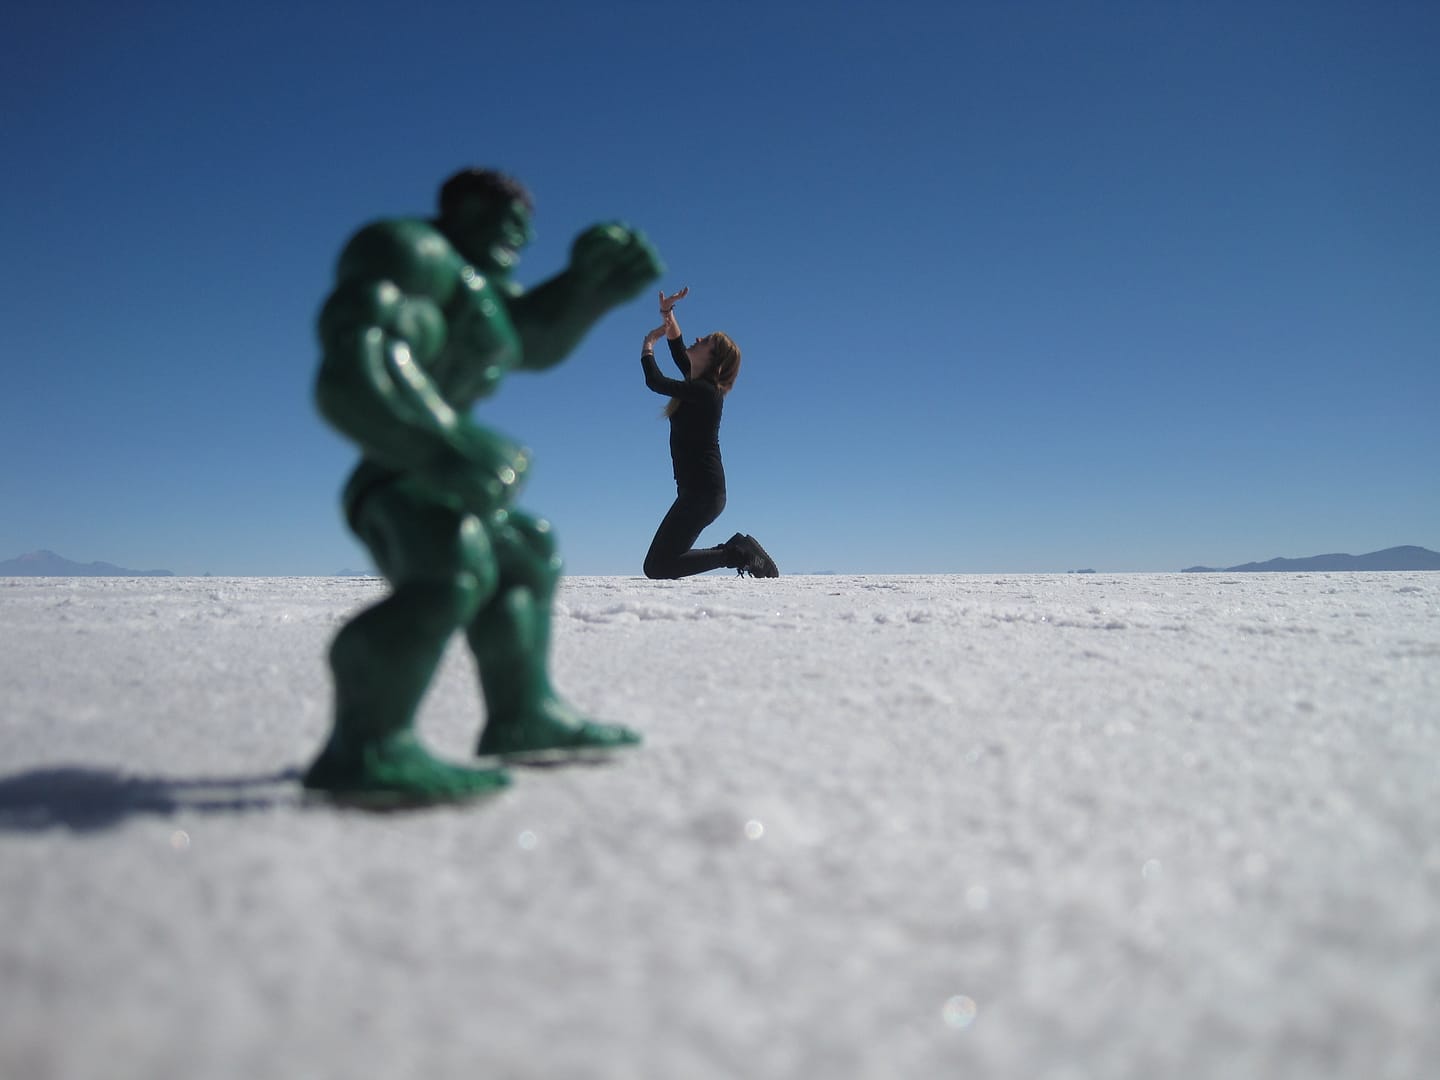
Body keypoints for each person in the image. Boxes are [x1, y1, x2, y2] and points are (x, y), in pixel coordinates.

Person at [304, 168, 661, 804]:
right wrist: (443, 442)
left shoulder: (475, 288)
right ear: (465, 211)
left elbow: (528, 336)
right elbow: (354, 367)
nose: (522, 238)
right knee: (451, 562)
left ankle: (523, 715)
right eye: (507, 221)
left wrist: (589, 289)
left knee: (526, 551)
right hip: (397, 472)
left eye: (525, 227)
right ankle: (365, 746)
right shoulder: (410, 252)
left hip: (432, 470)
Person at [640, 288, 778, 579]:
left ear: (715, 361)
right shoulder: (697, 386)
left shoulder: (706, 393)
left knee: (658, 566)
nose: (698, 338)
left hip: (703, 494)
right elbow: (678, 347)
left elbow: (655, 381)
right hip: (695, 492)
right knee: (659, 564)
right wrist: (667, 314)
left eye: (707, 342)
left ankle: (738, 553)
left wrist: (649, 344)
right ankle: (736, 550)